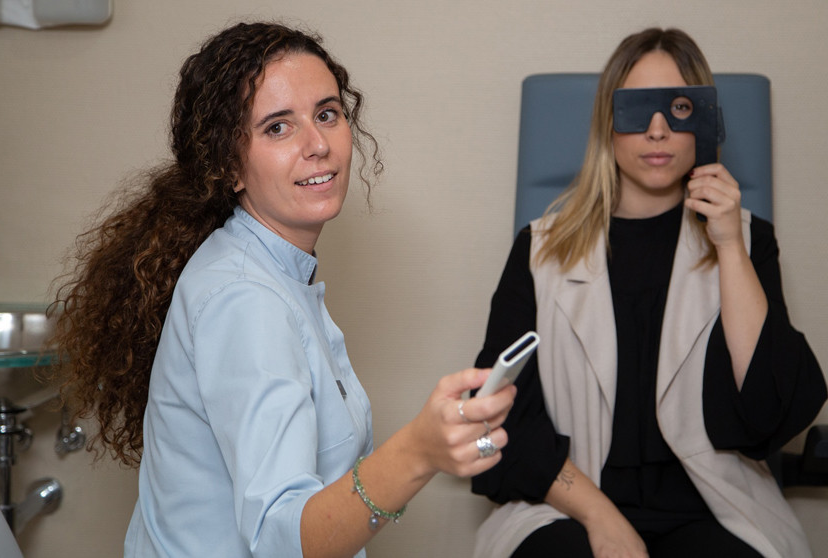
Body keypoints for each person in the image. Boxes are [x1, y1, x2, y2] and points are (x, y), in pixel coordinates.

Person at [48, 21, 515, 558]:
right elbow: (281, 538)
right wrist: (418, 451)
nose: (318, 144)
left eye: (327, 114)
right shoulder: (245, 299)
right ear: (228, 165)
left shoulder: (271, 271)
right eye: (277, 127)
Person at [470, 28, 827, 558]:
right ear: (608, 125)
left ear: (705, 124)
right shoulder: (539, 250)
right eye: (639, 111)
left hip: (712, 508)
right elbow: (499, 415)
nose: (658, 130)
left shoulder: (750, 240)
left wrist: (730, 247)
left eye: (680, 108)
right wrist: (601, 517)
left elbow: (767, 412)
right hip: (572, 501)